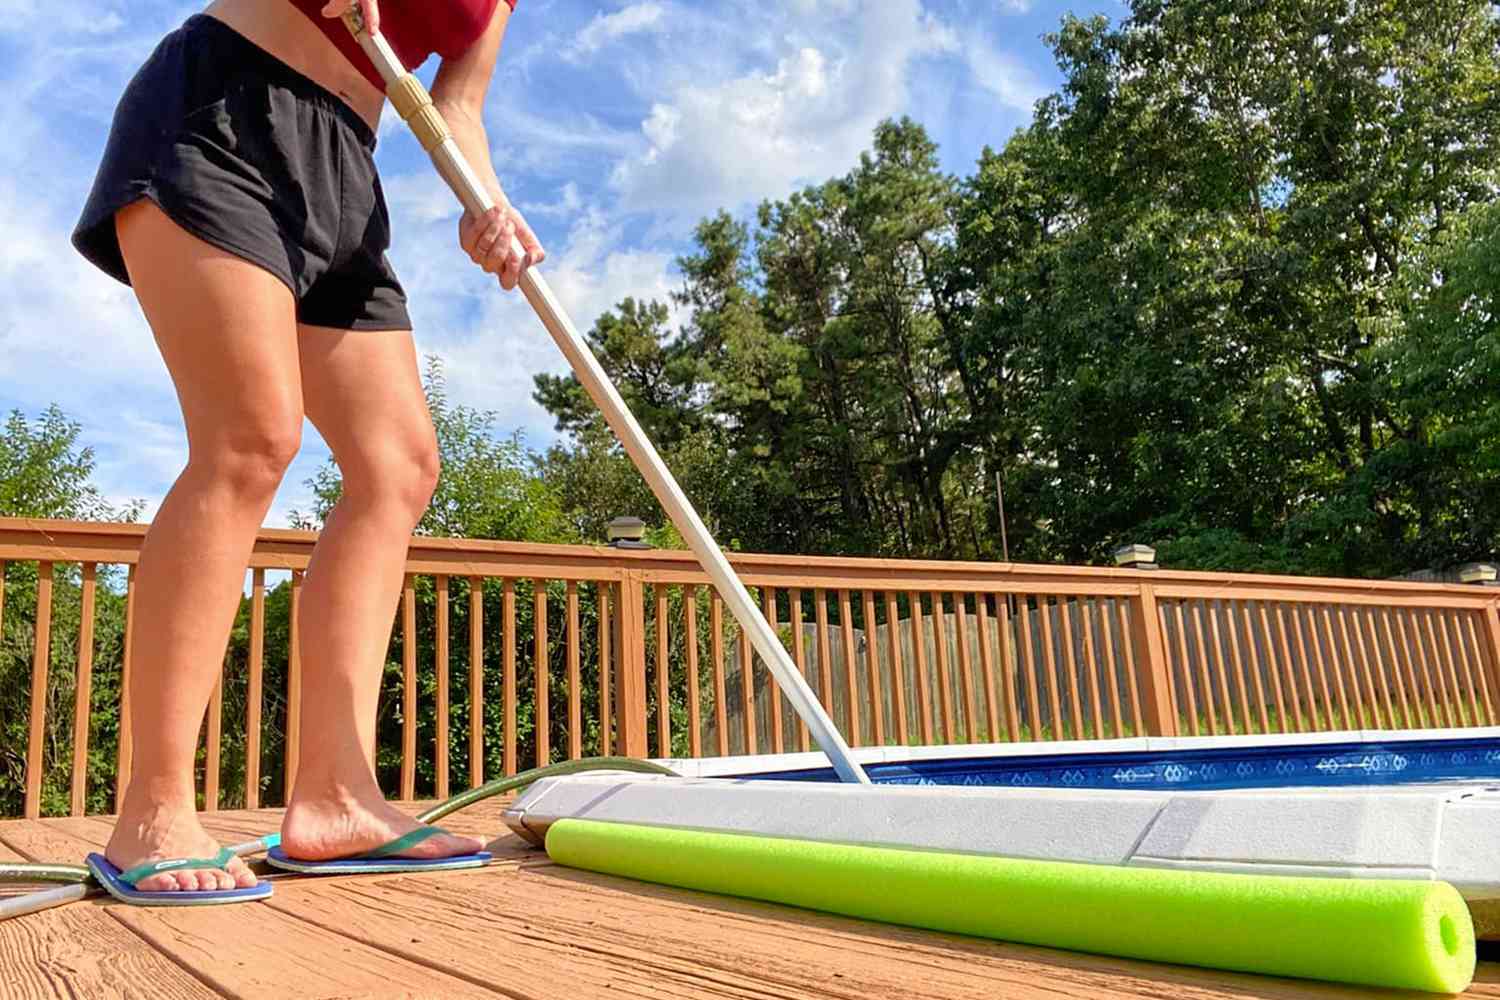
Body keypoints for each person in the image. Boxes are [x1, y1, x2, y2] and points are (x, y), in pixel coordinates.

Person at [71, 0, 544, 901]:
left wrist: (487, 206)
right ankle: (154, 807)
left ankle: (336, 798)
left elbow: (459, 110)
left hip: (345, 171)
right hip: (226, 115)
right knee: (251, 437)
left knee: (398, 466)